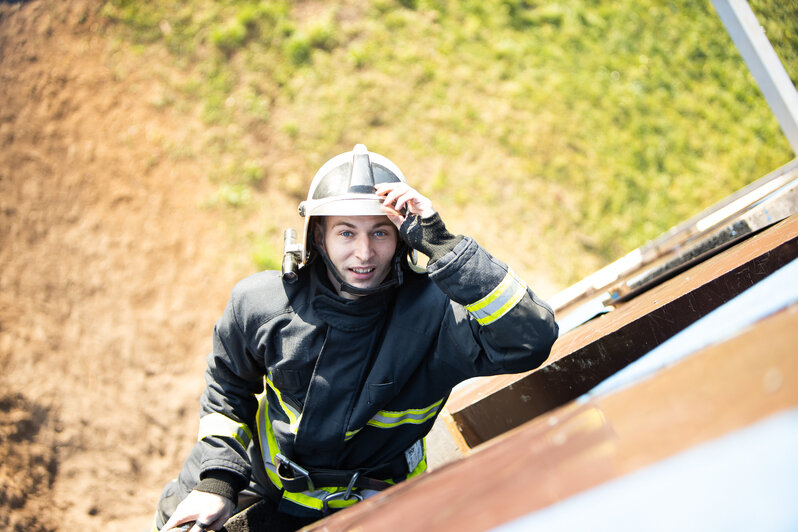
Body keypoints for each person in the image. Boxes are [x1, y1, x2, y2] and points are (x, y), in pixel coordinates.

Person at [153, 144, 558, 532]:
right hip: (263, 483)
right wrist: (219, 481)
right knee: (179, 516)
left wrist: (441, 243)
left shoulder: (437, 316)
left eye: (380, 233)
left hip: (377, 501)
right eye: (346, 233)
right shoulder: (261, 304)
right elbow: (227, 389)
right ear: (318, 237)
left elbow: (531, 339)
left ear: (402, 237)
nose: (364, 253)